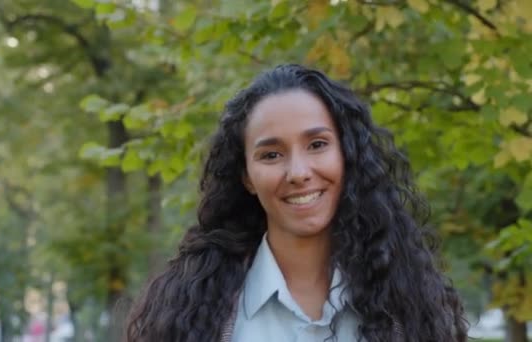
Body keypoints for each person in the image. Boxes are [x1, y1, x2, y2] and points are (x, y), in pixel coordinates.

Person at [124, 64, 468, 341]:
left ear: (347, 155)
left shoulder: (409, 303)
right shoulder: (186, 308)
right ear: (246, 176)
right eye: (271, 154)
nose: (298, 172)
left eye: (317, 145)